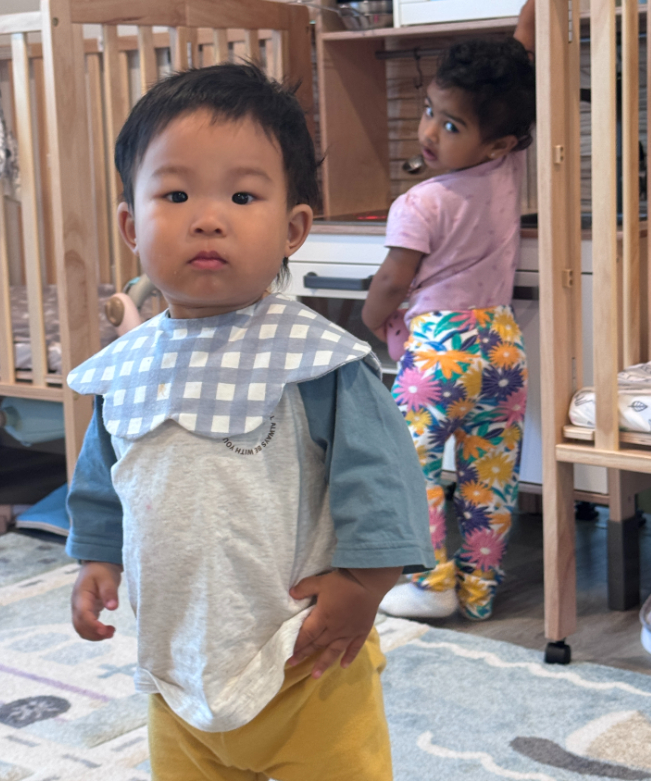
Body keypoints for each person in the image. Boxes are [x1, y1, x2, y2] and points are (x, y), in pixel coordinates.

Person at [64, 62, 434, 781]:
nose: (208, 216)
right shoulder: (126, 367)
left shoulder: (317, 360)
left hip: (306, 658)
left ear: (294, 226)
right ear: (130, 226)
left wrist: (364, 585)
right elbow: (104, 477)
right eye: (175, 193)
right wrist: (96, 558)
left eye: (241, 194)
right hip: (180, 665)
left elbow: (383, 482)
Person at [362, 0, 536, 622]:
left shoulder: (419, 203)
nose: (430, 131)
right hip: (502, 347)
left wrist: (369, 316)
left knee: (419, 471)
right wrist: (531, 13)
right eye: (431, 112)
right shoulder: (507, 168)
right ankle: (480, 590)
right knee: (491, 473)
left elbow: (392, 278)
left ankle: (430, 585)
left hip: (437, 351)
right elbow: (519, 68)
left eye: (451, 124)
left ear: (494, 143)